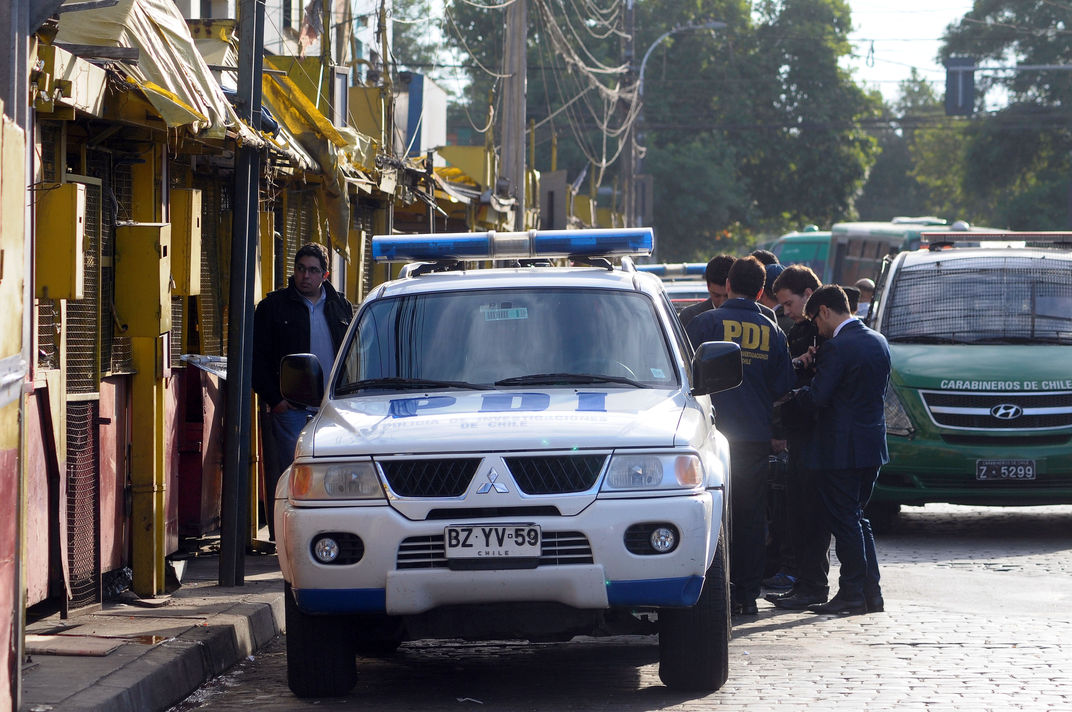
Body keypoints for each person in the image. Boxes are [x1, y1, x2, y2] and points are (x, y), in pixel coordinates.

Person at [686, 257, 794, 617]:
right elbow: (782, 387)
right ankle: (746, 595)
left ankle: (708, 592)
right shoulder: (773, 330)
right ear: (762, 291)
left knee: (708, 515)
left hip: (706, 437)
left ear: (728, 284)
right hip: (752, 440)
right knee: (749, 518)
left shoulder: (703, 323)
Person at [794, 285, 891, 616]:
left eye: (816, 321)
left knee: (846, 521)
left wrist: (793, 394)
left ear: (824, 311)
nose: (817, 330)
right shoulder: (878, 341)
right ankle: (870, 593)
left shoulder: (837, 347)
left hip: (840, 449)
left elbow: (819, 397)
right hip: (871, 445)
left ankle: (852, 592)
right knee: (859, 519)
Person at [253, 243, 354, 539]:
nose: (305, 276)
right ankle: (289, 538)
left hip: (332, 409)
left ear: (325, 274)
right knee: (292, 475)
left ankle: (331, 533)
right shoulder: (273, 308)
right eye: (300, 269)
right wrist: (276, 400)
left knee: (335, 474)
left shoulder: (340, 307)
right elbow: (256, 360)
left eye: (312, 270)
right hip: (291, 409)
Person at [766, 265, 831, 610]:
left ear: (809, 295)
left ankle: (812, 586)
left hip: (811, 438)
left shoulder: (819, 333)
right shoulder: (803, 330)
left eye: (789, 303)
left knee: (811, 517)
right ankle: (805, 582)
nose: (786, 311)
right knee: (797, 513)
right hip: (800, 436)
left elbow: (816, 390)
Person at [678, 254, 734, 329]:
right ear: (708, 286)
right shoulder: (689, 317)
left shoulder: (749, 317)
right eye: (717, 296)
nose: (722, 302)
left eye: (727, 296)